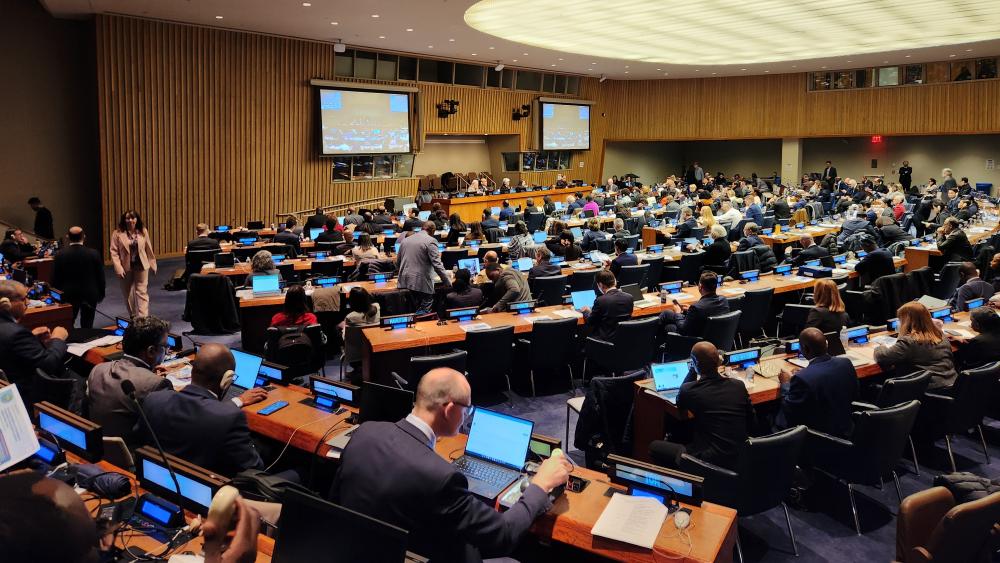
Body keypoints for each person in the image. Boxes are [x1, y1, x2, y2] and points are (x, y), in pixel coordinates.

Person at [329, 368, 571, 562]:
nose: (467, 416)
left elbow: (335, 498)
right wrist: (540, 484)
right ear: (450, 409)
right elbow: (503, 535)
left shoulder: (365, 432)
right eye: (468, 408)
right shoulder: (441, 476)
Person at [142, 343, 268, 476]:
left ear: (192, 371)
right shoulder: (231, 418)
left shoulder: (154, 399)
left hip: (156, 478)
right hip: (214, 486)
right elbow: (254, 467)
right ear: (226, 380)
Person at [648, 341, 753, 470]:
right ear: (718, 361)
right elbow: (752, 422)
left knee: (655, 447)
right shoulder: (738, 386)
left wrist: (693, 369)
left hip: (709, 460)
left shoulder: (689, 390)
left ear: (694, 363)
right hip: (741, 456)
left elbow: (680, 405)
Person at [86, 315, 171, 443]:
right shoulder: (156, 384)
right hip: (133, 452)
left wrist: (149, 373)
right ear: (151, 351)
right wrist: (151, 377)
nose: (168, 351)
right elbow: (166, 430)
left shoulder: (98, 370)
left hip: (97, 446)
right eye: (166, 346)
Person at [776, 328, 858, 437]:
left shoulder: (802, 379)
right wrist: (806, 372)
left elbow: (790, 412)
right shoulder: (846, 363)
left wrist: (786, 383)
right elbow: (855, 394)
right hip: (848, 428)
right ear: (826, 344)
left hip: (820, 437)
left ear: (805, 349)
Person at [0, 280, 69, 406]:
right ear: (7, 303)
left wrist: (30, 337)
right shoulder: (16, 333)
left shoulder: (7, 328)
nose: (27, 302)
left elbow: (8, 346)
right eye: (24, 298)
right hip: (28, 396)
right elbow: (48, 364)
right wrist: (58, 339)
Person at [874, 302, 958, 389]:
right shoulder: (939, 335)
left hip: (929, 390)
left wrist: (880, 346)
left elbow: (882, 357)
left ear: (906, 321)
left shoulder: (909, 341)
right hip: (953, 385)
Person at [52, 227, 105, 328]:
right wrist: (101, 294)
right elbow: (100, 276)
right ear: (84, 237)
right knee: (87, 324)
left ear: (67, 237)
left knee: (68, 324)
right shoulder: (94, 253)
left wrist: (56, 297)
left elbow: (55, 278)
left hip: (68, 295)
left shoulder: (60, 254)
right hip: (90, 294)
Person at [110, 210, 157, 318]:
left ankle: (143, 318)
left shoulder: (143, 231)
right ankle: (134, 316)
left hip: (141, 266)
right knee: (128, 294)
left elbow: (148, 248)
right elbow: (114, 252)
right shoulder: (117, 233)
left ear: (136, 219)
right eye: (128, 218)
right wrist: (118, 267)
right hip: (125, 267)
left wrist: (152, 263)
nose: (130, 220)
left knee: (142, 292)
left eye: (133, 218)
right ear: (124, 220)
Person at [396, 222, 451, 314]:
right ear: (433, 231)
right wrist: (447, 281)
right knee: (424, 314)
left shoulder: (405, 240)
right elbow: (437, 264)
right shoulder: (431, 241)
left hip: (404, 282)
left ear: (422, 228)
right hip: (421, 283)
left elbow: (398, 263)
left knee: (411, 312)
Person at [658, 271, 729, 337]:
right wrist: (690, 309)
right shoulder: (724, 300)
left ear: (700, 286)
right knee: (667, 313)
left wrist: (678, 313)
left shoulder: (696, 308)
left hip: (695, 339)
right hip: (714, 335)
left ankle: (654, 339)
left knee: (668, 326)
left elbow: (683, 330)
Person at [581, 270, 633, 341]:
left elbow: (590, 322)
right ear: (615, 281)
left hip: (605, 341)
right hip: (624, 339)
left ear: (600, 285)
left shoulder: (600, 300)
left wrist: (586, 311)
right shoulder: (629, 297)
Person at [804, 279, 850, 354]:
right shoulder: (845, 315)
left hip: (820, 353)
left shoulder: (817, 313)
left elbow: (806, 337)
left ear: (817, 294)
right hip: (839, 352)